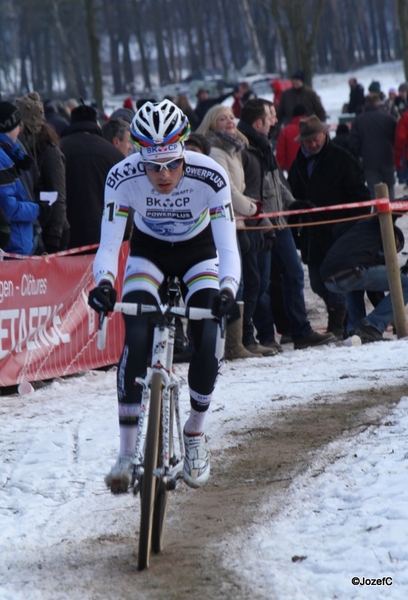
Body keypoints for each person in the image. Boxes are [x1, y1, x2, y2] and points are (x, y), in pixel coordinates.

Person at [88, 100, 241, 493]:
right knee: (136, 334)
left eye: (172, 163)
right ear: (138, 154)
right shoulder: (121, 177)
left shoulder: (211, 175)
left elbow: (227, 249)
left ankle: (194, 431)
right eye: (152, 165)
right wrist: (104, 283)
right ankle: (125, 454)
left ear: (185, 148)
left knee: (209, 335)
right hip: (149, 252)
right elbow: (108, 246)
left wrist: (228, 289)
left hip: (199, 252)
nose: (163, 174)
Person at [237, 99, 335, 350]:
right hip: (261, 226)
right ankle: (266, 336)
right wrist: (263, 221)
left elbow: (277, 182)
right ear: (259, 122)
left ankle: (299, 331)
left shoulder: (264, 146)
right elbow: (248, 191)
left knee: (293, 274)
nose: (275, 120)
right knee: (261, 284)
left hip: (280, 223)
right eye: (271, 116)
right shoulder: (246, 150)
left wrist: (293, 204)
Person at [288, 115, 371, 338]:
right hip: (312, 235)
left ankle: (336, 324)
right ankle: (341, 319)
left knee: (334, 278)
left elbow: (361, 195)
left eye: (316, 139)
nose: (313, 144)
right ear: (302, 142)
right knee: (316, 282)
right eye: (308, 141)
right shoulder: (297, 166)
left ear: (325, 135)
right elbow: (293, 198)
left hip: (340, 233)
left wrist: (354, 226)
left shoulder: (343, 159)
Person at [197, 104, 269, 358]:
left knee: (250, 279)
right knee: (234, 282)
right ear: (212, 123)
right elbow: (226, 190)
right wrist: (250, 208)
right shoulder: (217, 150)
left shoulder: (233, 148)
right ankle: (233, 343)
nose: (229, 122)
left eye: (231, 117)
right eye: (222, 118)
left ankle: (243, 338)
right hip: (229, 220)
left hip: (237, 221)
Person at [321, 217, 408, 343]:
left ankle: (355, 330)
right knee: (404, 284)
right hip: (352, 270)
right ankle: (372, 327)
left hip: (329, 278)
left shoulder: (359, 235)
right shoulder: (378, 225)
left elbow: (374, 293)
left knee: (356, 284)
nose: (392, 251)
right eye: (396, 246)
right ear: (392, 234)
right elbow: (389, 212)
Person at [60, 104, 125, 250]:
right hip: (106, 235)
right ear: (95, 123)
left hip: (67, 236)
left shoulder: (58, 149)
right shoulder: (113, 154)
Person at [15, 92, 70, 253]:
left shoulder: (49, 152)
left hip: (52, 232)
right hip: (34, 229)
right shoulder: (20, 150)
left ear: (24, 125)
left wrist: (53, 240)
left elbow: (58, 197)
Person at [0, 101, 50, 255]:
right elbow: (9, 208)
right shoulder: (2, 160)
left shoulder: (10, 153)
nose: (20, 131)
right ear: (8, 128)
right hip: (13, 246)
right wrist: (38, 209)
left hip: (18, 241)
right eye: (17, 126)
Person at [349, 94, 397, 200]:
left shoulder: (359, 120)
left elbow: (353, 142)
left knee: (373, 191)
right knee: (389, 188)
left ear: (365, 104)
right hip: (387, 158)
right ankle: (392, 213)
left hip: (369, 160)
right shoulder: (388, 118)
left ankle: (376, 214)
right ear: (378, 103)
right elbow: (397, 137)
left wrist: (362, 153)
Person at [275, 103, 307, 172]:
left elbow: (280, 155)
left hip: (293, 171)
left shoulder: (285, 131)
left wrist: (279, 171)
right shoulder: (313, 128)